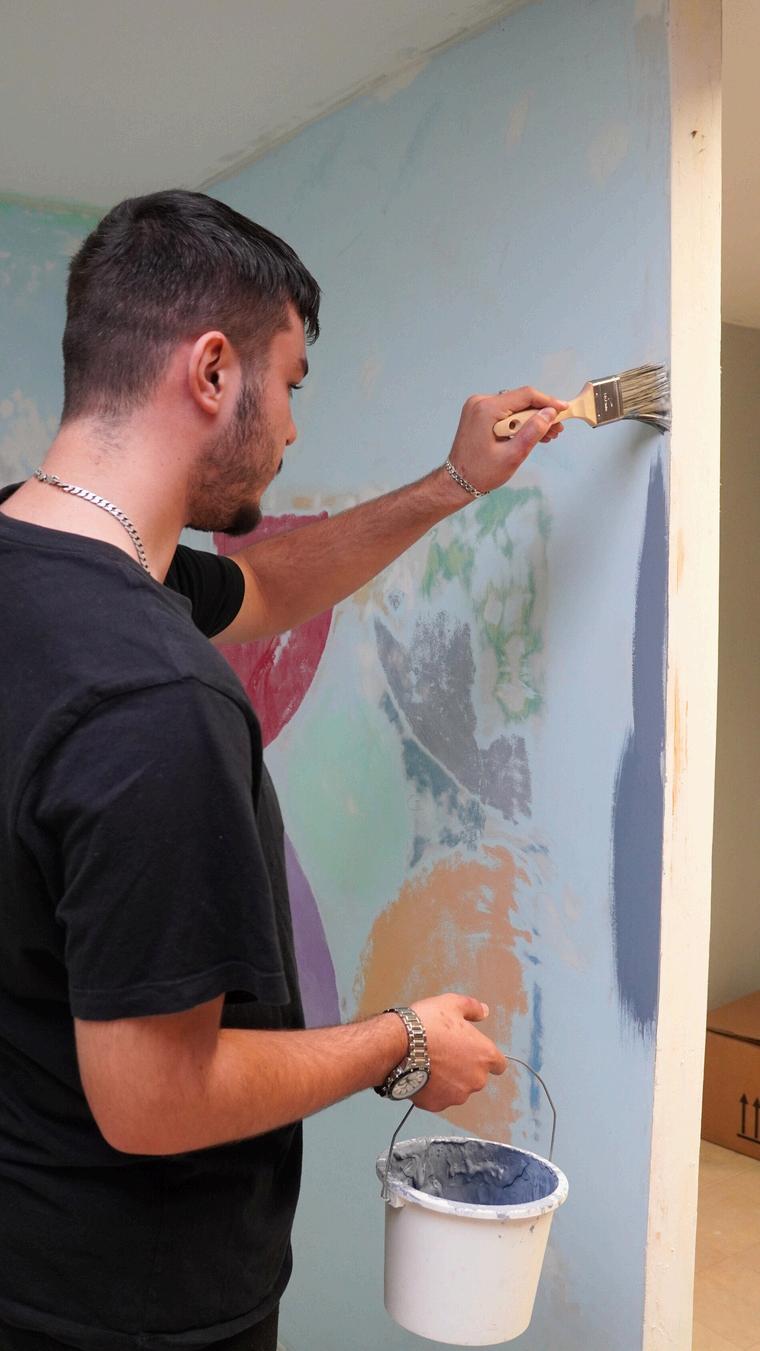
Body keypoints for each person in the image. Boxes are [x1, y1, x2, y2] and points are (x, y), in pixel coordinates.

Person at [0, 189, 567, 1351]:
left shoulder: (39, 554)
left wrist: (453, 481)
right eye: (292, 381)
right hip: (127, 1307)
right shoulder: (155, 699)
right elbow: (153, 1096)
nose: (296, 430)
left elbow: (261, 588)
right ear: (214, 371)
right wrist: (402, 1039)